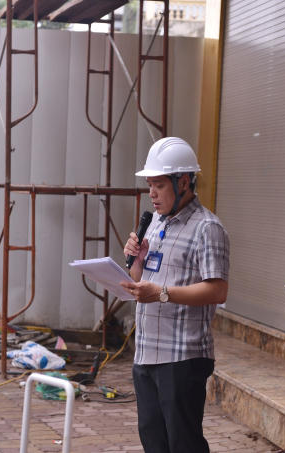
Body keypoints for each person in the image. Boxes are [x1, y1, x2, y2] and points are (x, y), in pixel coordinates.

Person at [120, 137, 230, 453]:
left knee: (183, 443)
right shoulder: (155, 222)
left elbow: (218, 290)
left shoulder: (207, 228)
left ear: (183, 182)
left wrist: (162, 293)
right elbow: (141, 280)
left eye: (159, 185)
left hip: (182, 356)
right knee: (153, 441)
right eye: (149, 185)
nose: (152, 194)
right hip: (147, 352)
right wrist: (136, 262)